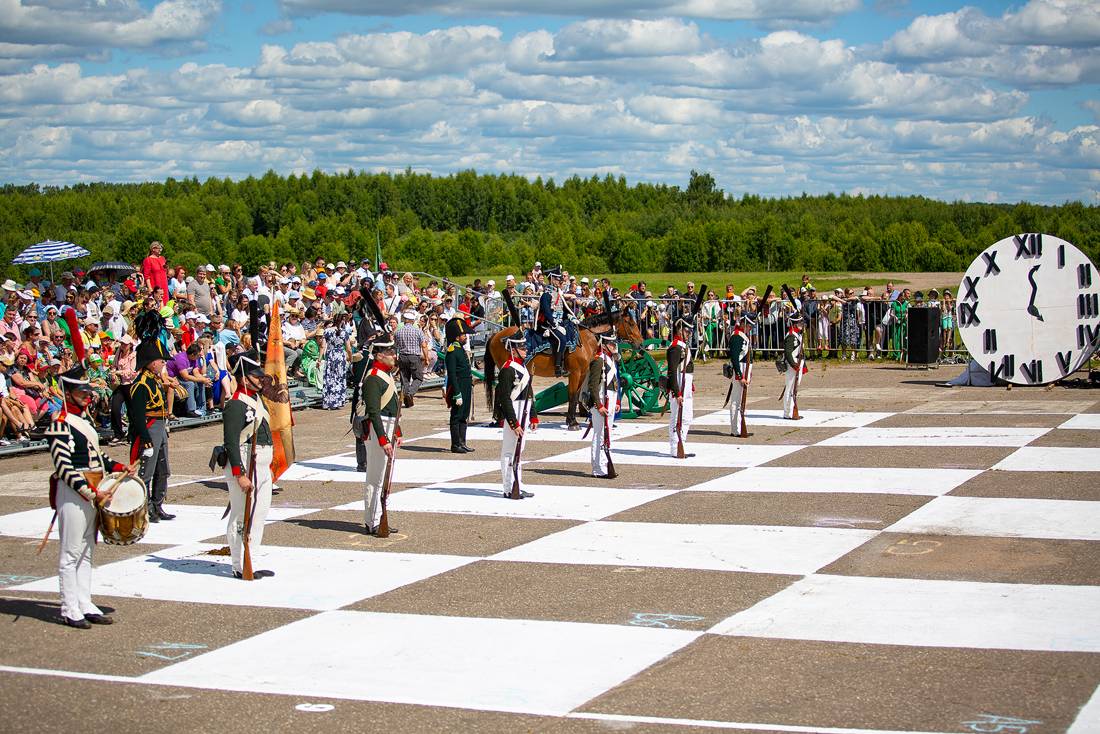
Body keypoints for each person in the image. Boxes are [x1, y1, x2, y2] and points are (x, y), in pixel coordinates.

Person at [47, 362, 134, 628]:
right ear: (68, 394)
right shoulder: (60, 424)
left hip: (95, 490)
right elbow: (64, 467)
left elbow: (97, 456)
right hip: (77, 492)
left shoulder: (83, 420)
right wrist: (92, 493)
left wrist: (118, 467)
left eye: (87, 392)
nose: (87, 396)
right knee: (71, 552)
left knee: (86, 550)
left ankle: (84, 602)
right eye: (81, 392)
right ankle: (69, 607)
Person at [221, 349, 274, 580]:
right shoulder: (235, 404)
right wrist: (239, 474)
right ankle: (238, 564)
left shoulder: (256, 400)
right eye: (256, 376)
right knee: (241, 515)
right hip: (244, 460)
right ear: (244, 378)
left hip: (261, 463)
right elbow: (231, 442)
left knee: (259, 513)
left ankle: (251, 558)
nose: (261, 379)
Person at [355, 336, 401, 535]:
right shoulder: (373, 377)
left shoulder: (385, 374)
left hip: (387, 425)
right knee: (375, 477)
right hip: (377, 428)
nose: (394, 356)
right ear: (379, 355)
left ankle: (379, 515)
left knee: (384, 477)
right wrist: (383, 439)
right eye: (390, 353)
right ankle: (372, 520)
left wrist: (397, 431)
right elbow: (374, 411)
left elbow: (392, 406)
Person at [129, 339, 174, 521]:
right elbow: (137, 415)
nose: (163, 363)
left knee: (163, 469)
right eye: (160, 360)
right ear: (151, 362)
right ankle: (146, 508)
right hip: (150, 427)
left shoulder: (154, 381)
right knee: (146, 471)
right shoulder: (141, 384)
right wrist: (145, 437)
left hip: (160, 426)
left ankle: (157, 504)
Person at [494, 333, 537, 498]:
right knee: (509, 451)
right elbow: (504, 399)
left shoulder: (522, 367)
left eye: (525, 347)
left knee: (519, 450)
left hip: (523, 409)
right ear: (513, 349)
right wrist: (514, 423)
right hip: (513, 411)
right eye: (522, 348)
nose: (525, 350)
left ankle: (518, 482)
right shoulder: (507, 369)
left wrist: (533, 415)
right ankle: (508, 487)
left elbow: (529, 394)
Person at [584, 332, 619, 478]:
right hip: (600, 401)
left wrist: (617, 401)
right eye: (611, 343)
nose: (614, 346)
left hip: (610, 399)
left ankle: (604, 464)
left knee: (607, 434)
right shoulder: (599, 361)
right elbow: (593, 386)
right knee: (599, 434)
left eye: (614, 343)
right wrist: (598, 406)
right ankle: (597, 468)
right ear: (604, 345)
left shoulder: (611, 360)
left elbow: (614, 382)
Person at [443, 316, 474, 454]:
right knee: (456, 415)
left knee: (464, 414)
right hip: (458, 386)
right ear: (456, 337)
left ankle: (462, 442)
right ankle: (455, 444)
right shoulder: (452, 351)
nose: (465, 337)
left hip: (465, 384)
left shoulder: (460, 349)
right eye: (463, 335)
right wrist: (456, 393)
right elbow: (452, 374)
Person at [666, 316, 696, 458]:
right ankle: (675, 447)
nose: (689, 334)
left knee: (687, 417)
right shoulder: (675, 348)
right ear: (679, 330)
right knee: (677, 417)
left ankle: (681, 444)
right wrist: (677, 392)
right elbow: (672, 372)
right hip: (679, 387)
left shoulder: (682, 346)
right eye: (687, 331)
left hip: (686, 386)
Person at [536, 266, 569, 376]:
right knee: (561, 339)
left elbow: (563, 310)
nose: (560, 281)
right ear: (552, 279)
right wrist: (554, 324)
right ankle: (558, 367)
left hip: (558, 323)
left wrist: (570, 317)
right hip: (547, 324)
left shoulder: (558, 293)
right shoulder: (546, 294)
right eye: (558, 279)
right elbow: (546, 312)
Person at [727, 312, 754, 436]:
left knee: (741, 401)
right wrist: (740, 376)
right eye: (749, 326)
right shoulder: (737, 337)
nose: (750, 328)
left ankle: (738, 426)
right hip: (740, 371)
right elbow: (735, 358)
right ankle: (736, 429)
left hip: (744, 370)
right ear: (743, 324)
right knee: (736, 401)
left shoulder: (742, 336)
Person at [395, 310, 428, 408]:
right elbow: (424, 345)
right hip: (414, 356)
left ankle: (407, 399)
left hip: (402, 356)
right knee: (418, 378)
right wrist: (426, 358)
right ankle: (410, 394)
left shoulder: (398, 332)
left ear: (405, 320)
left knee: (404, 379)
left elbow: (396, 346)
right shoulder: (418, 331)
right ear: (413, 321)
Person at [321, 313, 351, 410]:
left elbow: (322, 346)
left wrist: (319, 358)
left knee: (330, 378)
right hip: (340, 356)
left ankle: (329, 402)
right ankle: (338, 401)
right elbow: (348, 348)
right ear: (342, 321)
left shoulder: (327, 331)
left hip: (330, 355)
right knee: (339, 378)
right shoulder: (344, 332)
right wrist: (350, 358)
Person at [782, 312, 806, 420]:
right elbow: (788, 353)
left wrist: (802, 365)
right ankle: (788, 412)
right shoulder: (791, 336)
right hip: (793, 364)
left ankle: (791, 411)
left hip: (797, 363)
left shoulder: (797, 334)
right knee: (790, 388)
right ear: (794, 324)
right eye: (799, 322)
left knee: (794, 388)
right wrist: (794, 365)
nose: (801, 324)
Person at [142, 241, 169, 305]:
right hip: (155, 285)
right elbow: (146, 276)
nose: (161, 250)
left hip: (164, 285)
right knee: (157, 304)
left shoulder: (162, 258)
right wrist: (150, 288)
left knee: (165, 303)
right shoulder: (148, 260)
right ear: (153, 249)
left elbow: (165, 272)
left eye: (161, 248)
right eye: (159, 248)